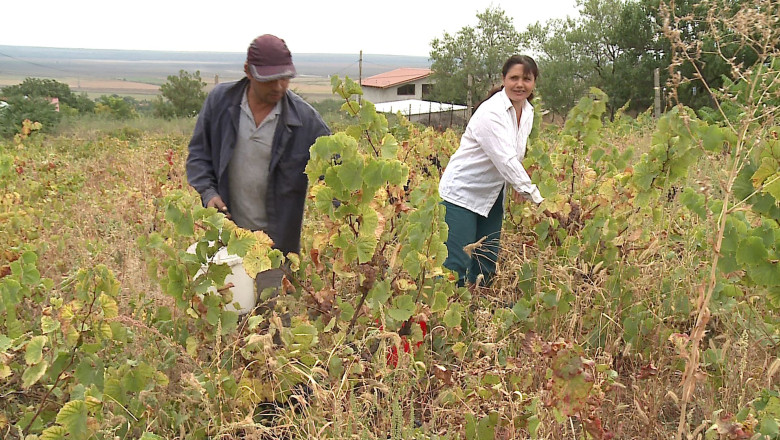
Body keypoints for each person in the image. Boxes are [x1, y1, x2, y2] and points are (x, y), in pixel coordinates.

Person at [186, 34, 330, 297]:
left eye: (285, 77)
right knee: (229, 318)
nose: (279, 86)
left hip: (275, 249)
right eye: (269, 79)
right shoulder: (220, 102)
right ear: (247, 72)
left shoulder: (306, 121)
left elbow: (337, 176)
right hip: (227, 241)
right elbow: (198, 154)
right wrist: (209, 192)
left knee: (272, 323)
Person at [438, 55, 544, 288]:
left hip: (492, 193)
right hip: (463, 192)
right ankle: (443, 317)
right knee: (456, 262)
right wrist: (533, 194)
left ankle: (479, 312)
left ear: (534, 82)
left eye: (526, 79)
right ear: (503, 79)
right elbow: (504, 159)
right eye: (514, 78)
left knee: (485, 261)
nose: (520, 84)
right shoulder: (491, 112)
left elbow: (515, 153)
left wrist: (518, 183)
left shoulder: (527, 111)